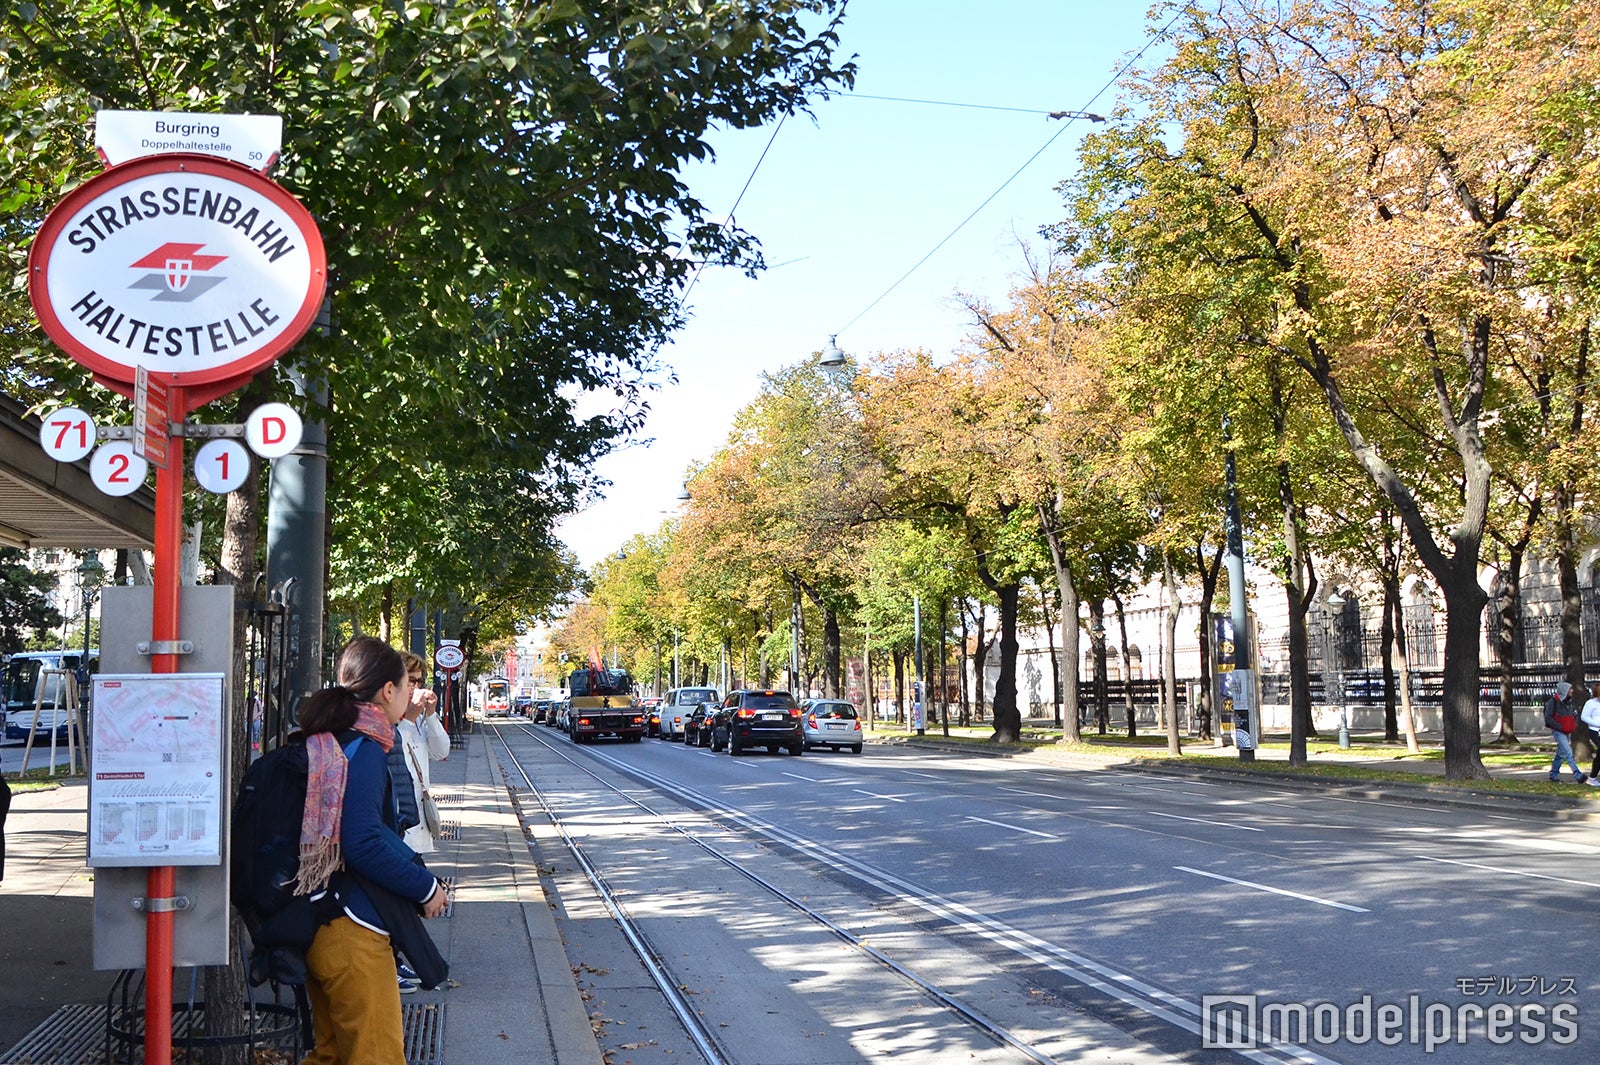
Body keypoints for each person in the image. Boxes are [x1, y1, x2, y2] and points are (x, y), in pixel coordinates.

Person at [296, 637, 448, 1065]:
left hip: (318, 920)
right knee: (376, 1055)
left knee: (330, 1055)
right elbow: (362, 839)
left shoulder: (330, 737)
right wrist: (424, 886)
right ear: (387, 691)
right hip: (352, 929)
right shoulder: (365, 747)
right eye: (405, 686)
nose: (409, 695)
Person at [397, 653, 449, 855]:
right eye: (411, 681)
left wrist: (430, 716)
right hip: (399, 817)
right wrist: (409, 719)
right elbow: (394, 754)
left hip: (417, 815)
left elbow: (441, 751)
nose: (416, 687)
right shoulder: (387, 717)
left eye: (420, 681)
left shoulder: (418, 718)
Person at [1544, 680, 1587, 784]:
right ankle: (1577, 774)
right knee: (1568, 752)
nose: (1572, 691)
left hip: (1567, 730)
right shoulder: (1553, 702)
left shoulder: (1569, 702)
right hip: (1558, 731)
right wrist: (1560, 726)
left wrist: (1573, 724)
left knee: (1561, 753)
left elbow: (1574, 714)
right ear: (1564, 690)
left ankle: (1553, 774)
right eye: (1570, 689)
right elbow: (1548, 718)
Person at [1579, 683, 1600, 787]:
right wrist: (1597, 723)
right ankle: (1592, 778)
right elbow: (1584, 717)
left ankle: (1593, 777)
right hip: (1595, 731)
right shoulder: (1591, 703)